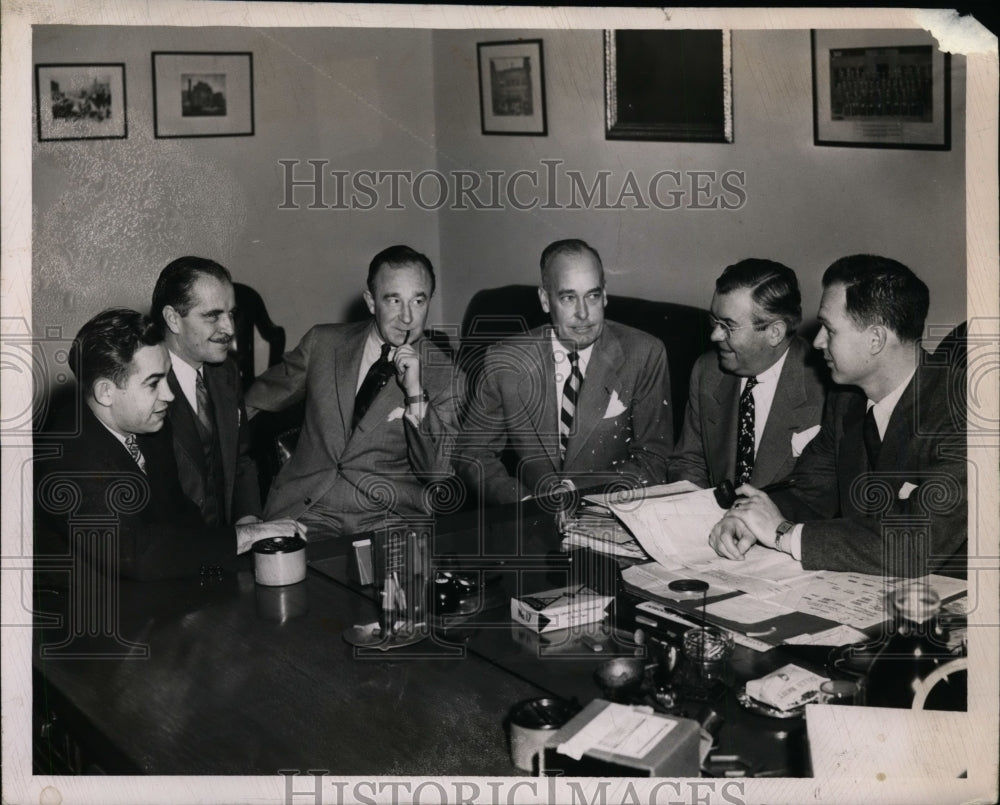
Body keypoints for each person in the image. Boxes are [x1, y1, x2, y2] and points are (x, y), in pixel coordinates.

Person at [709, 255, 966, 578]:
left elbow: (913, 545)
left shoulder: (964, 412)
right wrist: (748, 516)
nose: (817, 342)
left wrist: (782, 533)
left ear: (876, 340)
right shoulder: (847, 399)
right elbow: (811, 491)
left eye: (830, 330)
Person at [33, 308, 304, 581]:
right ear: (106, 392)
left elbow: (182, 517)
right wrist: (247, 536)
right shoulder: (69, 459)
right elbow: (139, 555)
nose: (170, 395)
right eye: (153, 384)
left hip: (157, 589)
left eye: (167, 377)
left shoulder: (147, 425)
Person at [245, 245, 461, 537]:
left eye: (418, 301)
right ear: (371, 302)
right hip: (307, 512)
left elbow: (437, 473)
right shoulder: (322, 344)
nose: (407, 317)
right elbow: (257, 399)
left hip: (390, 521)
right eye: (394, 300)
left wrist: (415, 394)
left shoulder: (447, 375)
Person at [459, 238, 672, 504]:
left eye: (592, 296)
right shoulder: (505, 361)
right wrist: (523, 502)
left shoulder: (645, 354)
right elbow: (473, 453)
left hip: (611, 513)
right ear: (545, 300)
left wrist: (575, 489)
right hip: (532, 516)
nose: (583, 314)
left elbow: (655, 460)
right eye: (568, 298)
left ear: (605, 295)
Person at [669, 259, 828, 489]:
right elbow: (689, 461)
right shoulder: (707, 371)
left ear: (775, 332)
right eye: (714, 321)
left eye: (728, 326)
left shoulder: (826, 387)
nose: (715, 336)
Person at [151, 256, 261, 527]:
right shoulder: (142, 384)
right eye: (213, 316)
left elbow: (241, 460)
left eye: (231, 314)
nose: (230, 329)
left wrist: (247, 519)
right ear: (173, 319)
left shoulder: (226, 373)